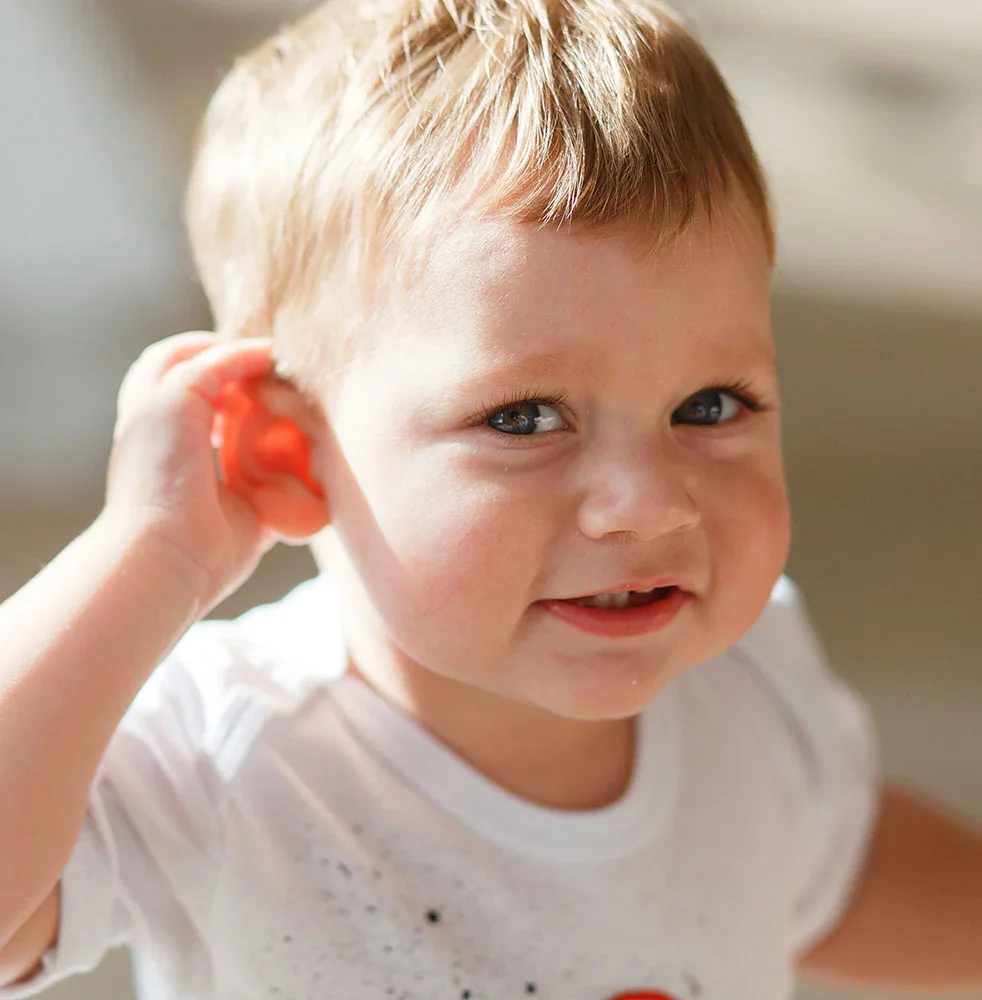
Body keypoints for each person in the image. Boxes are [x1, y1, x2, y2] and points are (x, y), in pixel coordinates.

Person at [1, 0, 980, 997]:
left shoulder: (749, 694)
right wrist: (151, 554)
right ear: (288, 450)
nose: (645, 503)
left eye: (709, 403)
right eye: (524, 418)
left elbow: (857, 879)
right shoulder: (224, 757)